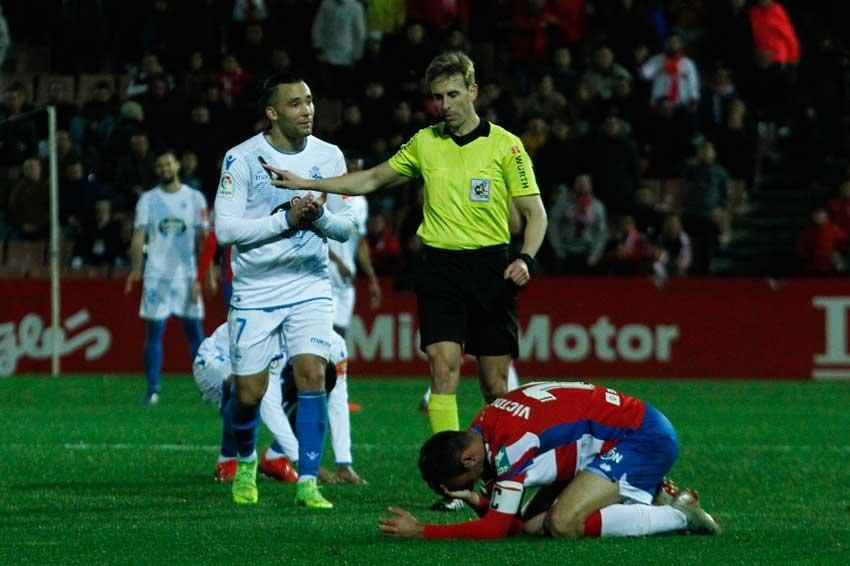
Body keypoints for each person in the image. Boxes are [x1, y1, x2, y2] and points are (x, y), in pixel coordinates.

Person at [261, 51, 548, 510]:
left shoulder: (506, 146)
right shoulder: (424, 143)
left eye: (453, 94)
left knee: (496, 386)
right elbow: (372, 178)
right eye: (438, 97)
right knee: (443, 367)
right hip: (438, 267)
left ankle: (505, 474)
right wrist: (304, 183)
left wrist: (527, 258)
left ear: (473, 92)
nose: (445, 104)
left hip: (491, 268)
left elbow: (535, 214)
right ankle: (455, 484)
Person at [213, 71, 355, 507]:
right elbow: (225, 230)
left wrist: (317, 219)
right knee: (248, 393)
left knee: (313, 374)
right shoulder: (241, 159)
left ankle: (308, 480)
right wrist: (286, 221)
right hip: (255, 289)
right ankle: (245, 460)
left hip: (310, 283)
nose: (307, 109)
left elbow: (346, 227)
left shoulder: (330, 156)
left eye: (309, 100)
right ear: (272, 113)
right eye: (295, 103)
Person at [378, 381, 721, 539]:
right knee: (532, 525)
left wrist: (422, 531)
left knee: (563, 524)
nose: (470, 485)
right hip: (616, 433)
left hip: (641, 437)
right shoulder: (482, 426)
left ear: (468, 460)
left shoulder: (509, 445)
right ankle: (646, 491)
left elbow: (496, 528)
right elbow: (512, 524)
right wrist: (476, 499)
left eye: (462, 484)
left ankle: (679, 516)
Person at [192, 323, 365, 486]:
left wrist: (344, 462)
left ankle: (275, 457)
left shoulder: (337, 347)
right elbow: (270, 407)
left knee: (317, 395)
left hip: (264, 368)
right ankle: (228, 460)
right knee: (246, 387)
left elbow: (337, 400)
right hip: (214, 359)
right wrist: (306, 464)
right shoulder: (282, 339)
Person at [125, 149, 211, 405]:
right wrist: (136, 269)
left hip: (186, 276)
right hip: (157, 276)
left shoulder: (195, 198)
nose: (164, 168)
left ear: (177, 166)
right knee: (154, 334)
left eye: (168, 164)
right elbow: (139, 235)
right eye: (160, 165)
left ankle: (207, 388)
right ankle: (153, 390)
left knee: (195, 333)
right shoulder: (148, 200)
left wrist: (206, 275)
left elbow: (204, 239)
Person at [328, 153, 381, 338]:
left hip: (347, 277)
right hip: (326, 274)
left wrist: (372, 279)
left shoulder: (361, 203)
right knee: (325, 334)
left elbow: (359, 243)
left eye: (357, 167)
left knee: (340, 333)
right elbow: (316, 235)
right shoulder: (330, 195)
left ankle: (338, 368)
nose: (354, 170)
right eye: (351, 166)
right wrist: (337, 262)